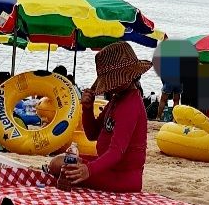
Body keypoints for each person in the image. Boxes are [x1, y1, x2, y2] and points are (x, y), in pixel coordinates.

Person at [47, 41, 152, 193]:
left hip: (122, 177)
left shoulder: (131, 105)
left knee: (59, 165)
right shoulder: (117, 100)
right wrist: (88, 108)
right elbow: (92, 134)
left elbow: (116, 152)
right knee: (62, 162)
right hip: (110, 169)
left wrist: (88, 170)